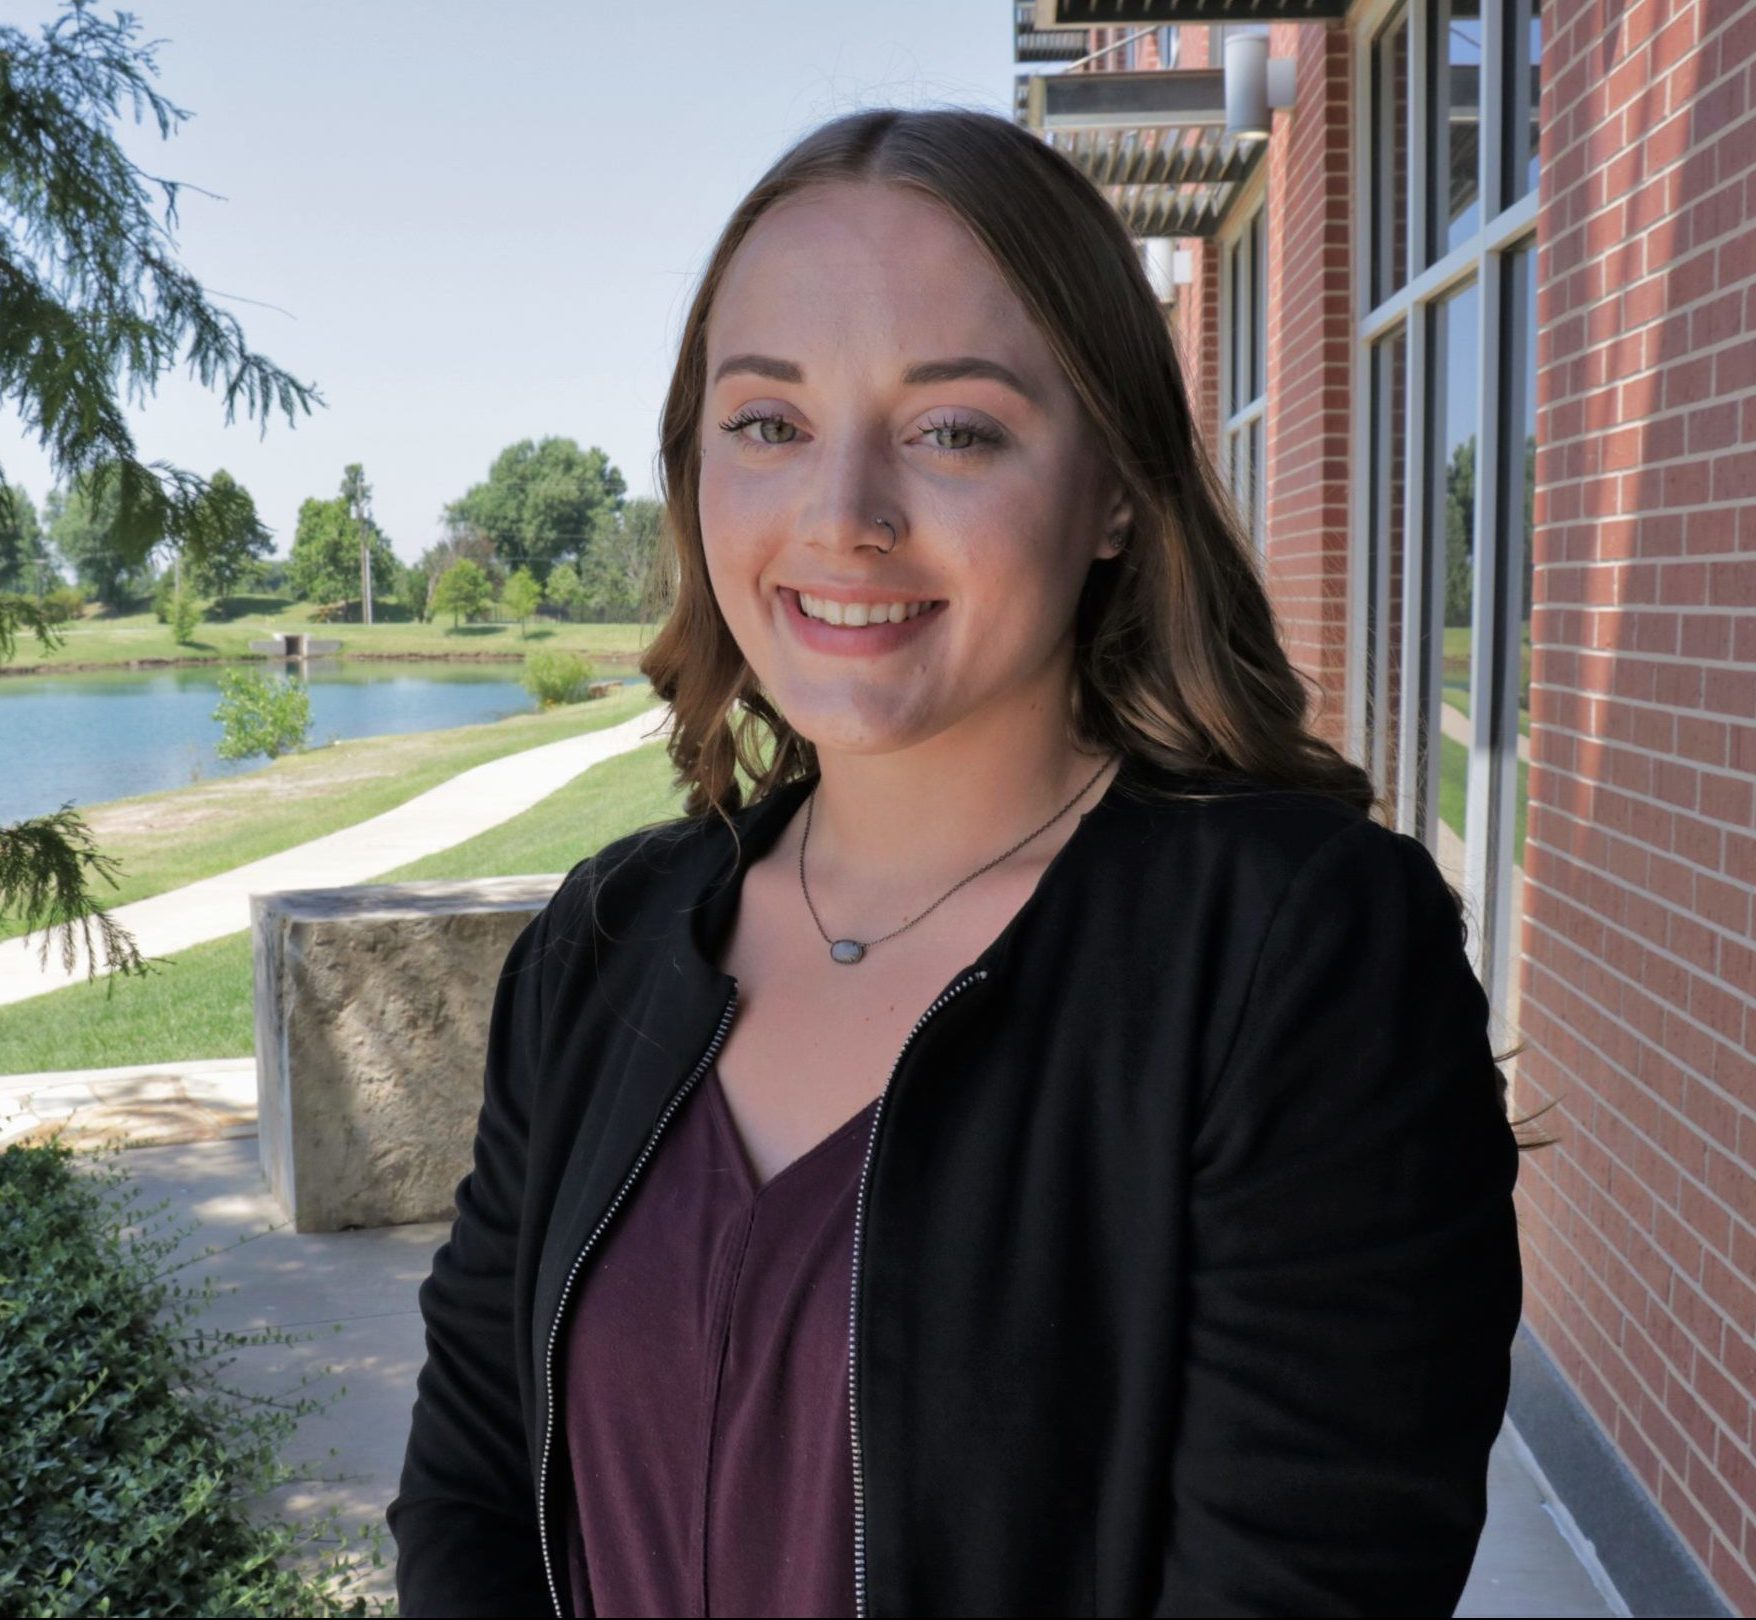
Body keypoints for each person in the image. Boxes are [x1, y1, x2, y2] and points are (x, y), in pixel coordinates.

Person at [389, 106, 1541, 1619]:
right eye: (770, 423)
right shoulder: (610, 941)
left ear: (1118, 489)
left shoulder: (1297, 958)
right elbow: (473, 1484)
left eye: (955, 429)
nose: (846, 515)